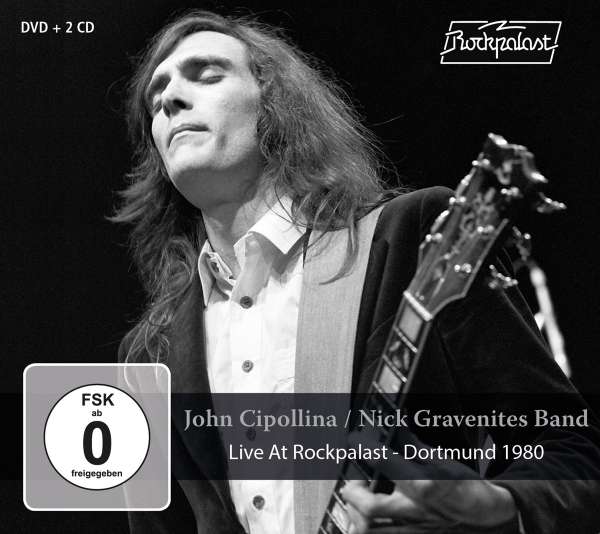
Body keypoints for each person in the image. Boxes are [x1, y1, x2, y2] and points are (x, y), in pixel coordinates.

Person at [113, 10, 600, 534]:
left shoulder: (410, 239)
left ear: (276, 105)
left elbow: (571, 452)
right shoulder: (148, 355)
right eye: (156, 99)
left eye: (207, 75)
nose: (170, 98)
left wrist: (503, 509)